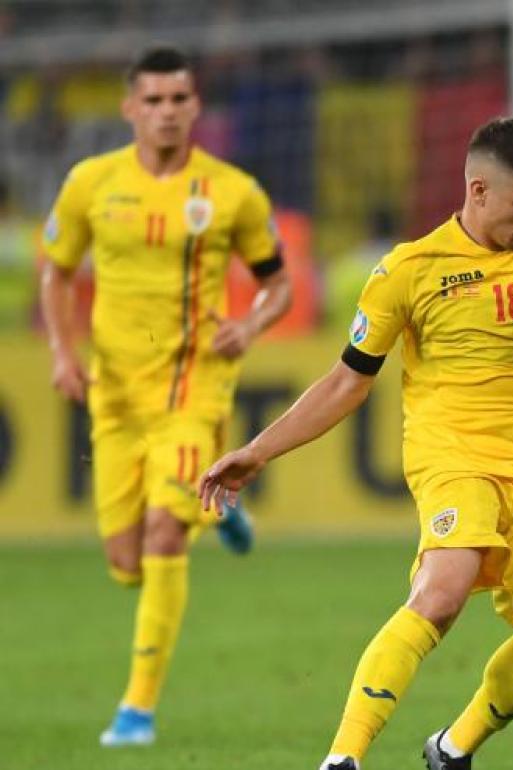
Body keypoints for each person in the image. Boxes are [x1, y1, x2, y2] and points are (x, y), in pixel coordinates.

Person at [198, 117, 513, 770]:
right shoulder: (410, 269)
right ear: (478, 190)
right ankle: (343, 758)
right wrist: (258, 449)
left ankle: (453, 749)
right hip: (457, 460)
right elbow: (347, 381)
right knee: (441, 591)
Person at [38, 45, 291, 746]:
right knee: (125, 564)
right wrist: (63, 352)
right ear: (129, 109)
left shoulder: (233, 191)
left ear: (196, 106)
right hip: (115, 394)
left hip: (193, 385)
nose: (167, 112)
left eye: (179, 99)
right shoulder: (91, 183)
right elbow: (55, 273)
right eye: (152, 100)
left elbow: (280, 283)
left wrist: (252, 323)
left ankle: (137, 710)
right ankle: (223, 513)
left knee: (162, 534)